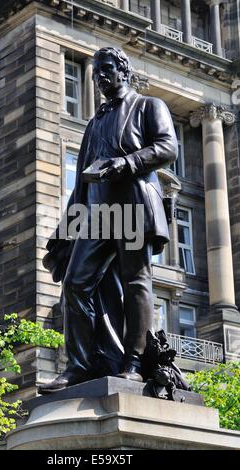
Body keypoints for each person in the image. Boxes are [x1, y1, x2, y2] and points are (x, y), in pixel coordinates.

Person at [39, 47, 178, 393]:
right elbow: (81, 186)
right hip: (98, 214)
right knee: (75, 283)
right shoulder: (95, 122)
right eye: (95, 73)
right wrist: (66, 232)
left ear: (123, 70)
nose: (99, 76)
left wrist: (127, 163)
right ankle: (80, 365)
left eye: (105, 69)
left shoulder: (148, 106)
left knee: (136, 282)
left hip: (132, 204)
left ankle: (133, 362)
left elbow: (167, 146)